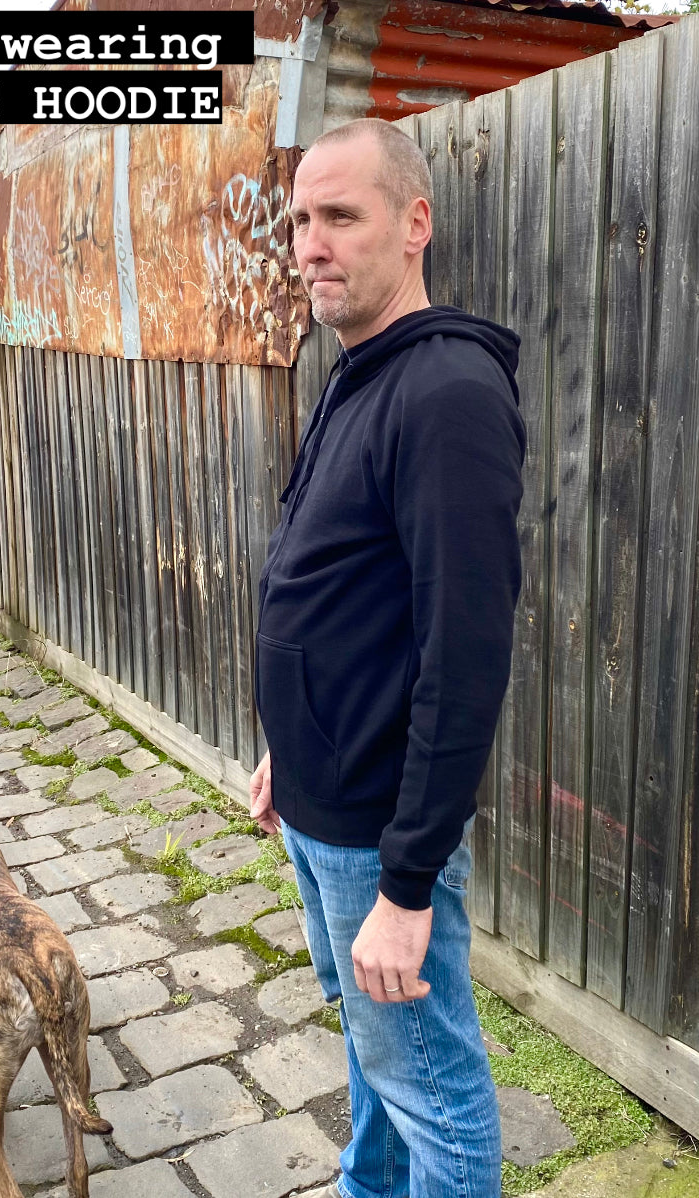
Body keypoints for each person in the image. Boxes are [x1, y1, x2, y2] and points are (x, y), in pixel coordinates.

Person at [249, 117, 526, 1198]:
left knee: (434, 1092)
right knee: (380, 1054)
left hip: (378, 834)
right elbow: (340, 602)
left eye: (339, 216)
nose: (310, 244)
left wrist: (407, 888)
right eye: (299, 221)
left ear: (414, 225)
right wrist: (288, 751)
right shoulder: (360, 369)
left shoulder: (446, 393)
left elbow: (466, 657)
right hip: (320, 804)